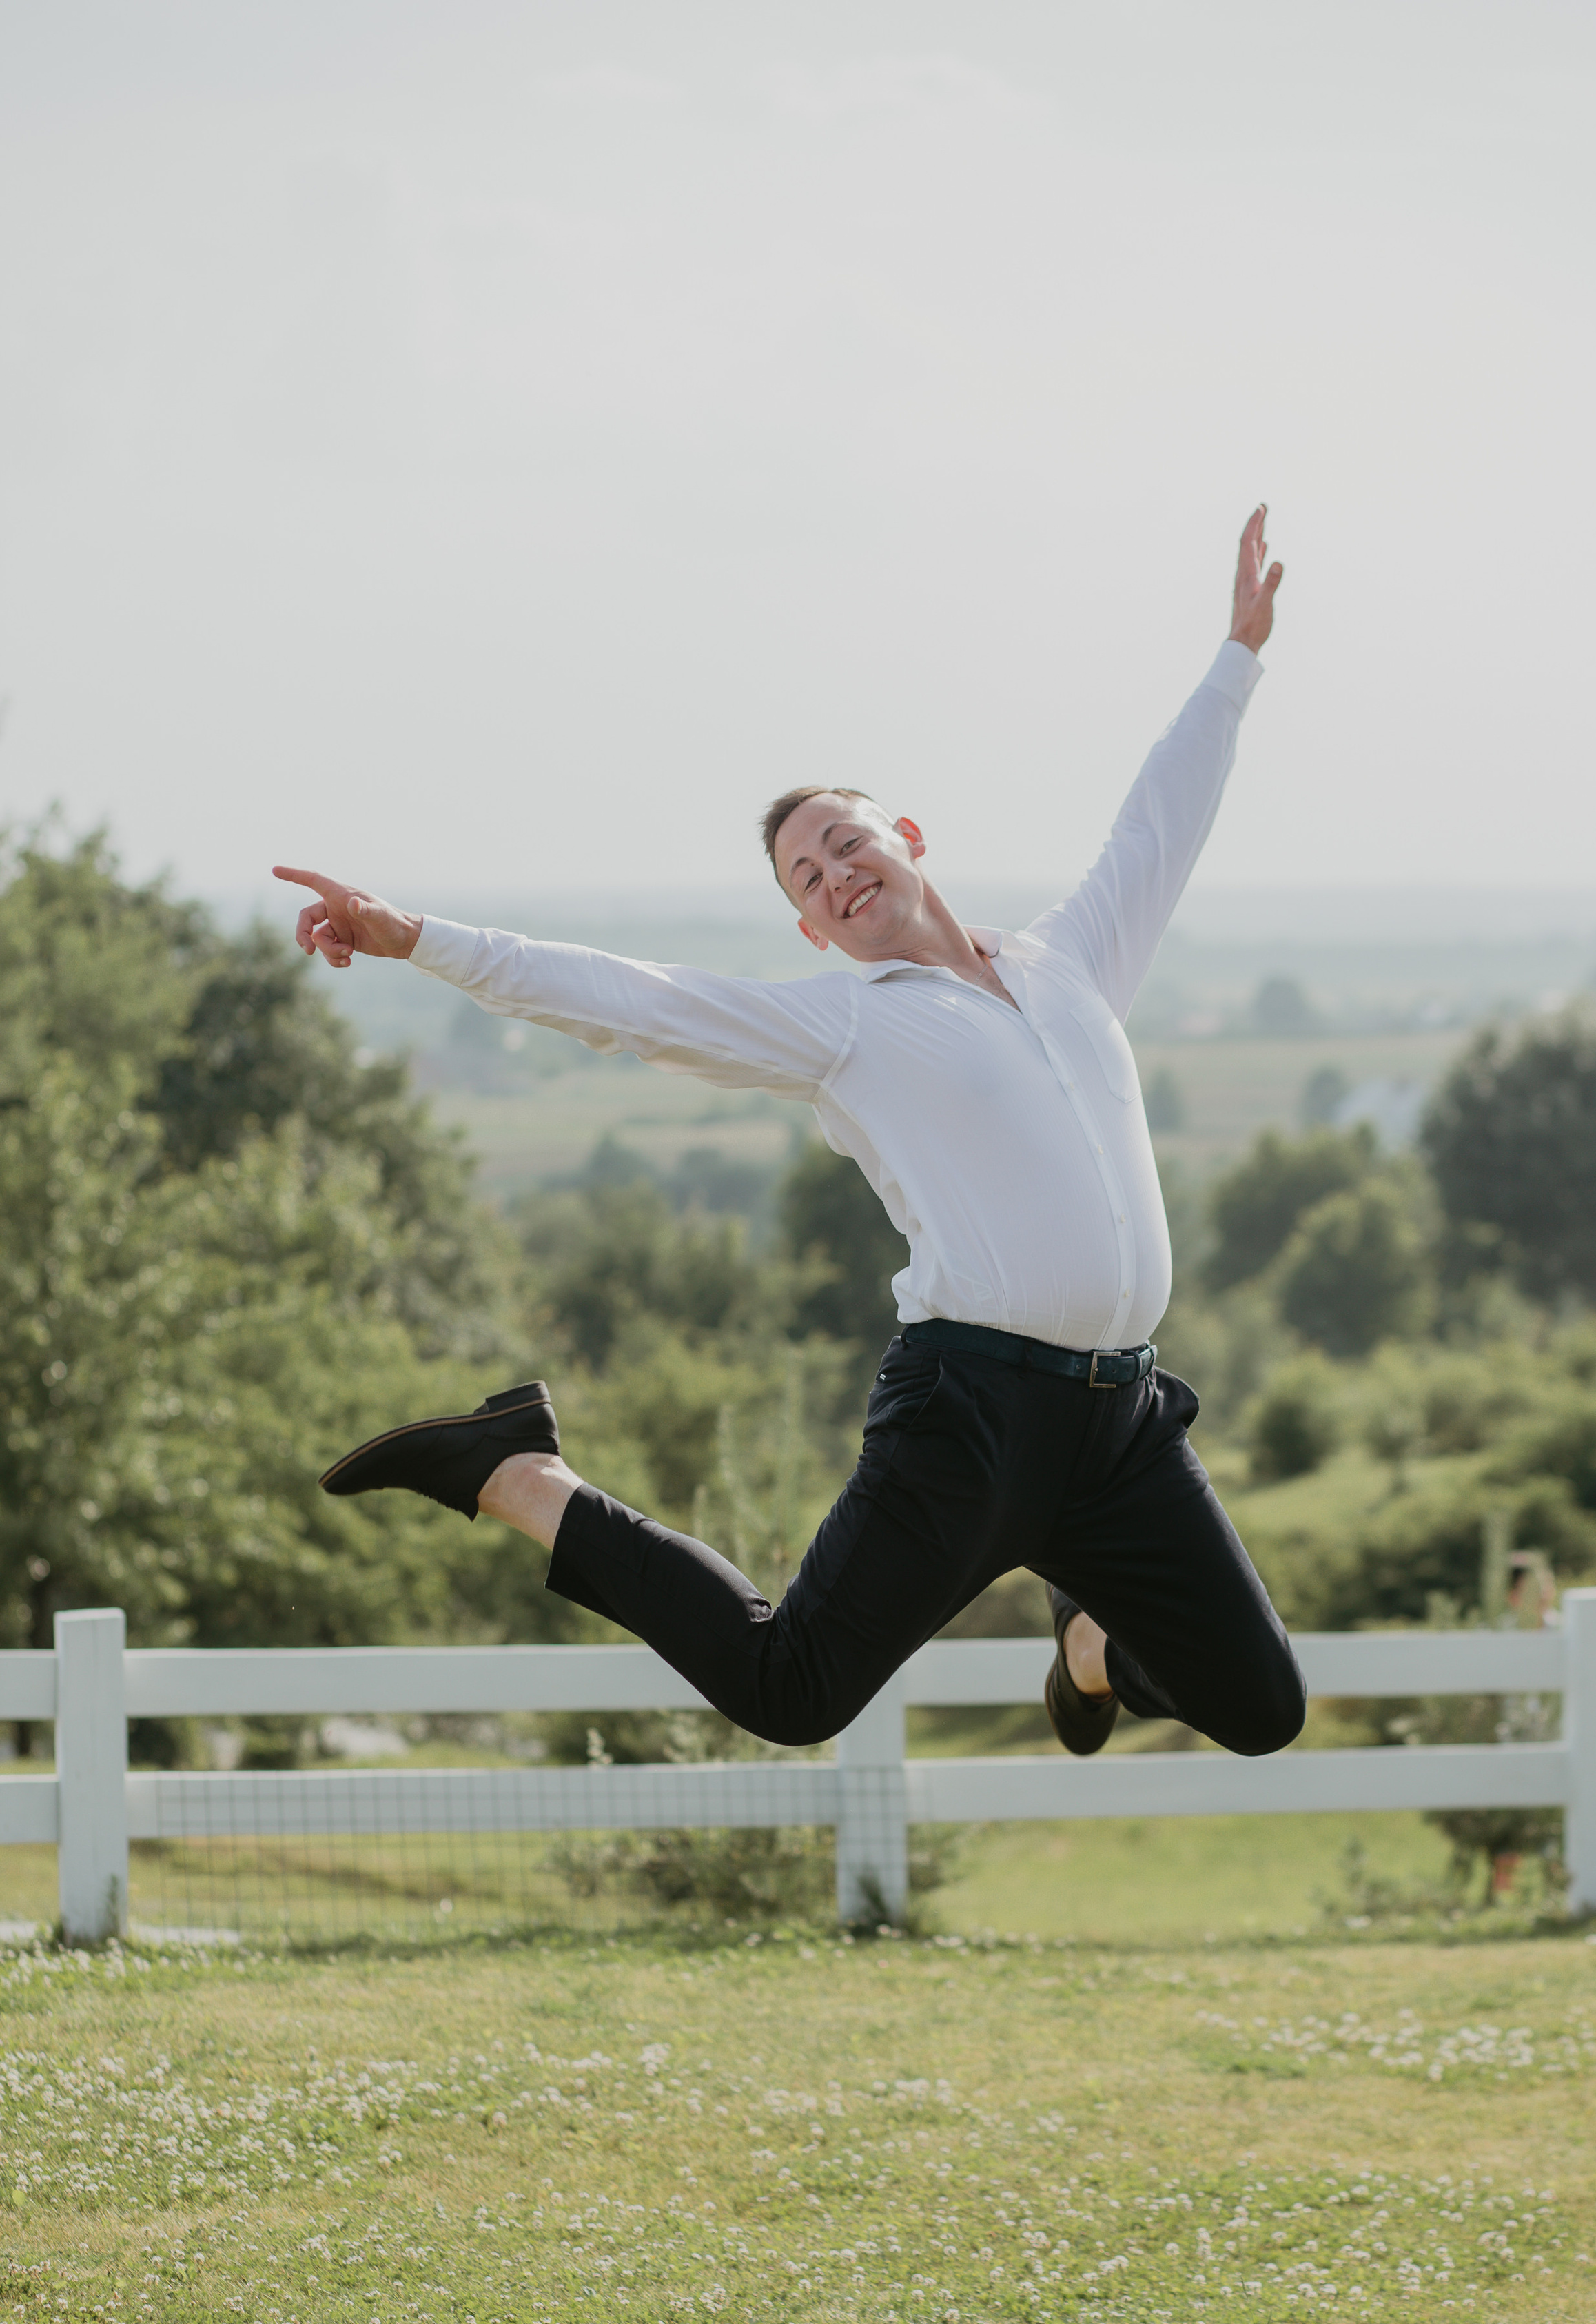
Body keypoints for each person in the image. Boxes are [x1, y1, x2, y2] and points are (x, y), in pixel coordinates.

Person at [279, 508, 1306, 1762]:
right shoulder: (845, 1031)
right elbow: (626, 1000)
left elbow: (1160, 823)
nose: (834, 875)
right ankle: (518, 1476)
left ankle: (1089, 1638)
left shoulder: (1074, 962)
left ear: (908, 840)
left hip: (1122, 1422)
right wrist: (415, 936)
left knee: (1262, 1710)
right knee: (791, 1688)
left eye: (845, 843)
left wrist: (1236, 660)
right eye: (807, 883)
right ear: (815, 934)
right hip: (970, 1417)